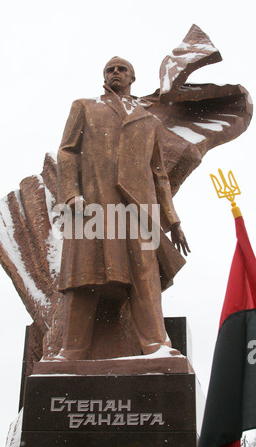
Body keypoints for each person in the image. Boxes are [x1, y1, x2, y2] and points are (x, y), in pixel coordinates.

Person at [56, 56, 190, 360]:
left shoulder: (148, 120)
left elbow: (159, 175)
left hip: (138, 210)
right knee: (84, 275)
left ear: (132, 77)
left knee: (144, 276)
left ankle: (156, 345)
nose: (115, 73)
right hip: (92, 204)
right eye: (109, 70)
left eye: (121, 69)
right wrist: (70, 194)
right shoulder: (85, 106)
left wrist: (173, 220)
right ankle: (71, 350)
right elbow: (66, 153)